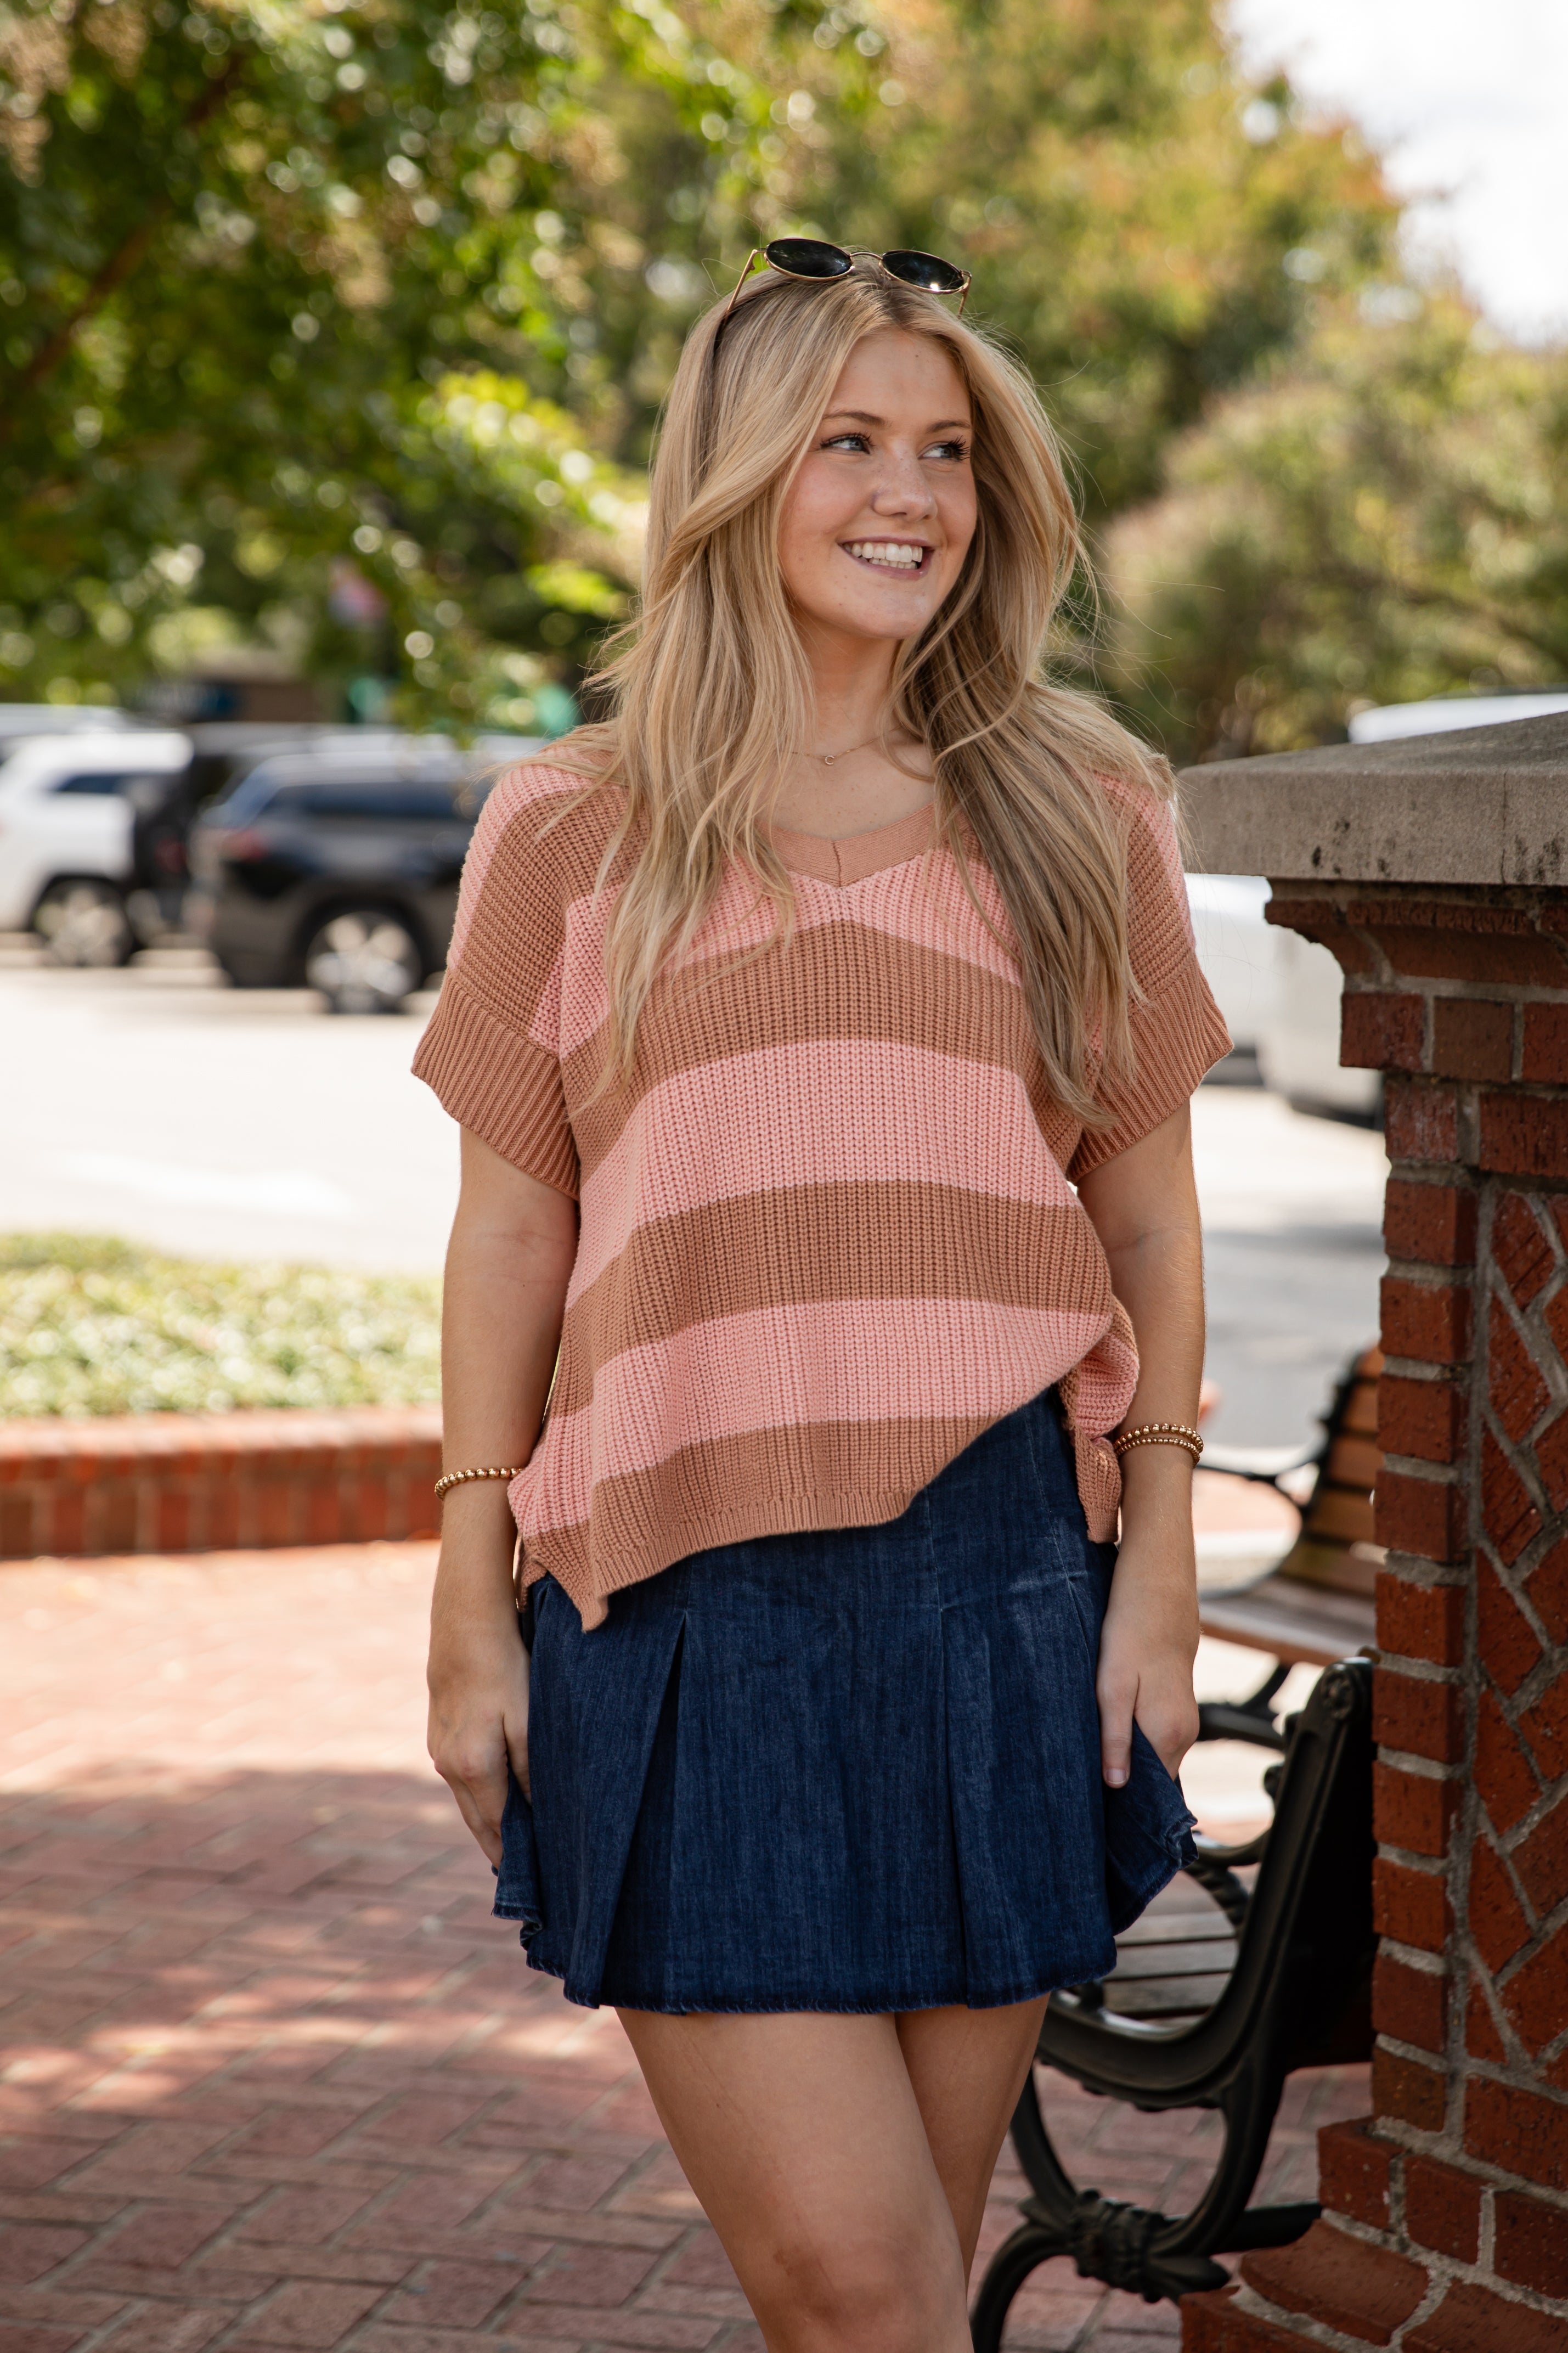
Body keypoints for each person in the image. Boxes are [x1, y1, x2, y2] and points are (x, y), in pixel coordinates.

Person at [416, 242, 1231, 2352]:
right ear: (739, 476)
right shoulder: (577, 826)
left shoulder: (1081, 811)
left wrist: (1155, 1571)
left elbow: (1146, 1219)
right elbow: (515, 1232)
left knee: (897, 2302)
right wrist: (461, 1594)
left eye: (948, 449)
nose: (912, 491)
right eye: (851, 441)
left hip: (999, 1593)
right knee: (856, 2284)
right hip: (683, 1606)